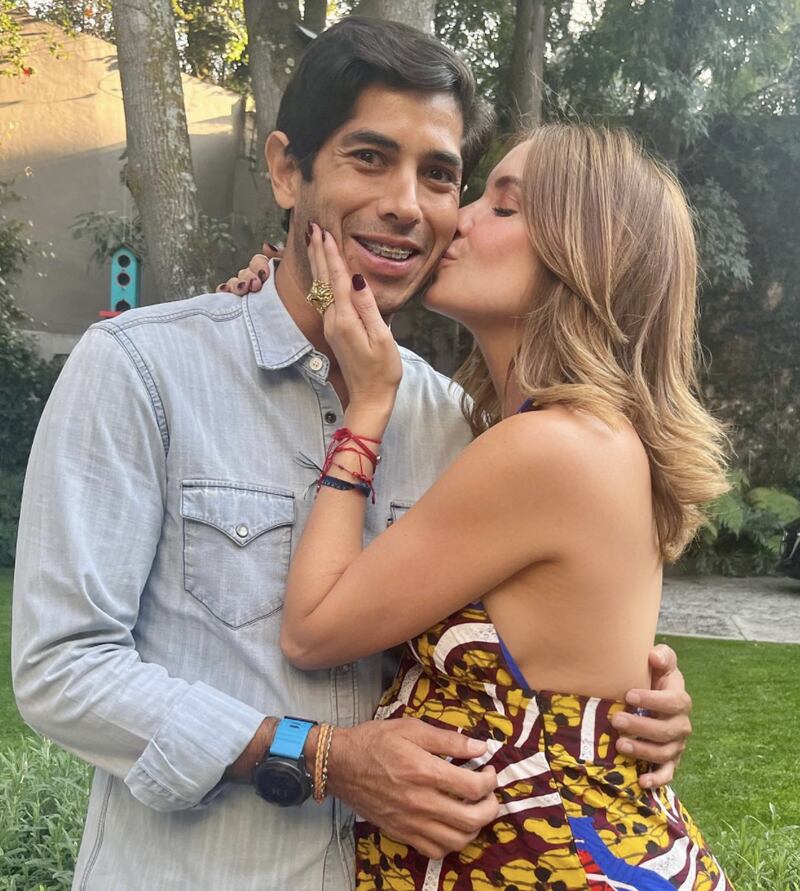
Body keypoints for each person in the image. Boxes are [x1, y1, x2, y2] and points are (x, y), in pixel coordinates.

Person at [11, 18, 691, 891]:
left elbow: (526, 634)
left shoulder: (460, 426)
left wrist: (627, 705)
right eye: (370, 158)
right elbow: (61, 670)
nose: (410, 203)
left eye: (440, 175)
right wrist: (319, 755)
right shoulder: (144, 371)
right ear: (287, 171)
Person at [252, 125, 732, 889]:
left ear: (584, 257)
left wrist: (367, 406)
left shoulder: (549, 447)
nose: (457, 218)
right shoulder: (562, 436)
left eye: (502, 208)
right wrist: (286, 291)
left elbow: (313, 627)